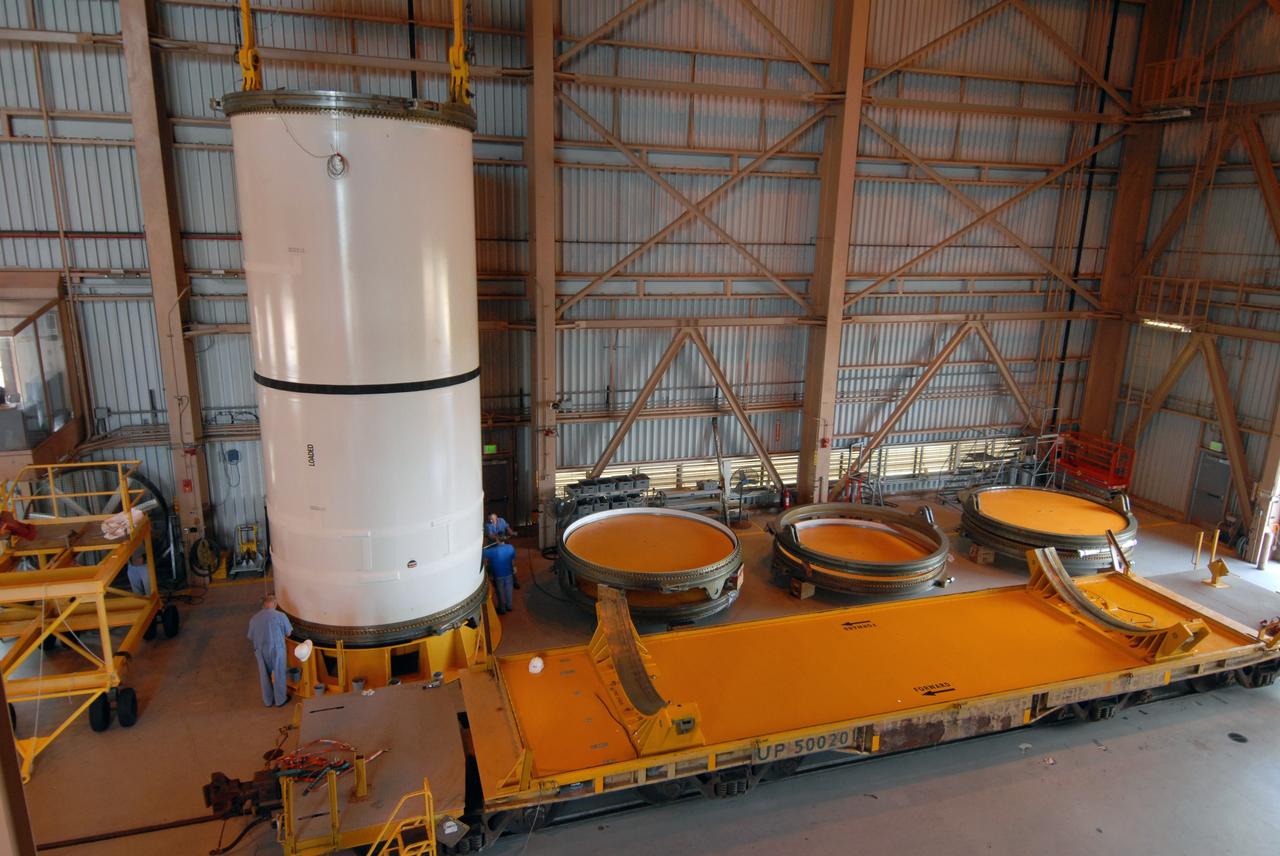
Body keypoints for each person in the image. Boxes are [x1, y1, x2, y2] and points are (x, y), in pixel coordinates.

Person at [247, 593, 293, 707]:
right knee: (279, 674)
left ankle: (267, 701)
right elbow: (289, 633)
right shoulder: (280, 616)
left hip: (261, 651)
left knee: (264, 675)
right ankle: (280, 700)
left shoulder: (254, 619)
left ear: (263, 605)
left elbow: (250, 636)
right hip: (277, 649)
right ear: (274, 604)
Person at [482, 538, 518, 615]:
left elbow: (482, 552)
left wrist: (482, 547)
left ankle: (502, 609)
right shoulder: (510, 547)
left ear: (497, 540)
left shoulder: (492, 551)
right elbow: (512, 559)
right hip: (509, 573)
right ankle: (509, 607)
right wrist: (514, 567)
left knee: (500, 592)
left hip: (498, 575)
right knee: (509, 590)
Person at [484, 513, 520, 587]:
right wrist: (497, 538)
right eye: (490, 519)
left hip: (503, 540)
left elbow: (507, 527)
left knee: (509, 561)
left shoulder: (502, 521)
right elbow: (491, 535)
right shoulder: (487, 525)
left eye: (492, 519)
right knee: (492, 562)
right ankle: (494, 579)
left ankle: (514, 581)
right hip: (493, 543)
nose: (491, 521)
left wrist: (511, 532)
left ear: (496, 518)